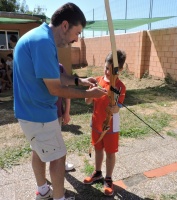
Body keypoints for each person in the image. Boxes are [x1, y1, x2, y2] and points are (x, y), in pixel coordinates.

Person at [13, 3, 107, 200]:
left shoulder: (41, 37)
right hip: (39, 114)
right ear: (65, 25)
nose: (77, 39)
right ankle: (59, 197)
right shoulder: (43, 43)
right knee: (58, 156)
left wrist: (79, 81)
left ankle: (43, 190)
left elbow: (54, 77)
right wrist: (89, 95)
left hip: (30, 112)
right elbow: (55, 89)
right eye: (77, 32)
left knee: (39, 151)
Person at [83, 50, 126, 196]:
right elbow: (87, 101)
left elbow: (117, 108)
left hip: (111, 126)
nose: (107, 72)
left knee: (110, 152)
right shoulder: (97, 81)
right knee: (98, 149)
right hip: (96, 123)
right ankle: (98, 173)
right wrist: (91, 93)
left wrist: (113, 107)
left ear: (119, 70)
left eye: (111, 69)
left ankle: (108, 178)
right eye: (106, 68)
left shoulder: (120, 86)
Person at [56, 63, 74, 171]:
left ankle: (61, 164)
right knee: (39, 147)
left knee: (58, 141)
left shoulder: (60, 67)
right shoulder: (34, 65)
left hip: (56, 113)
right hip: (39, 115)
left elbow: (67, 91)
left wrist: (67, 112)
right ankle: (41, 180)